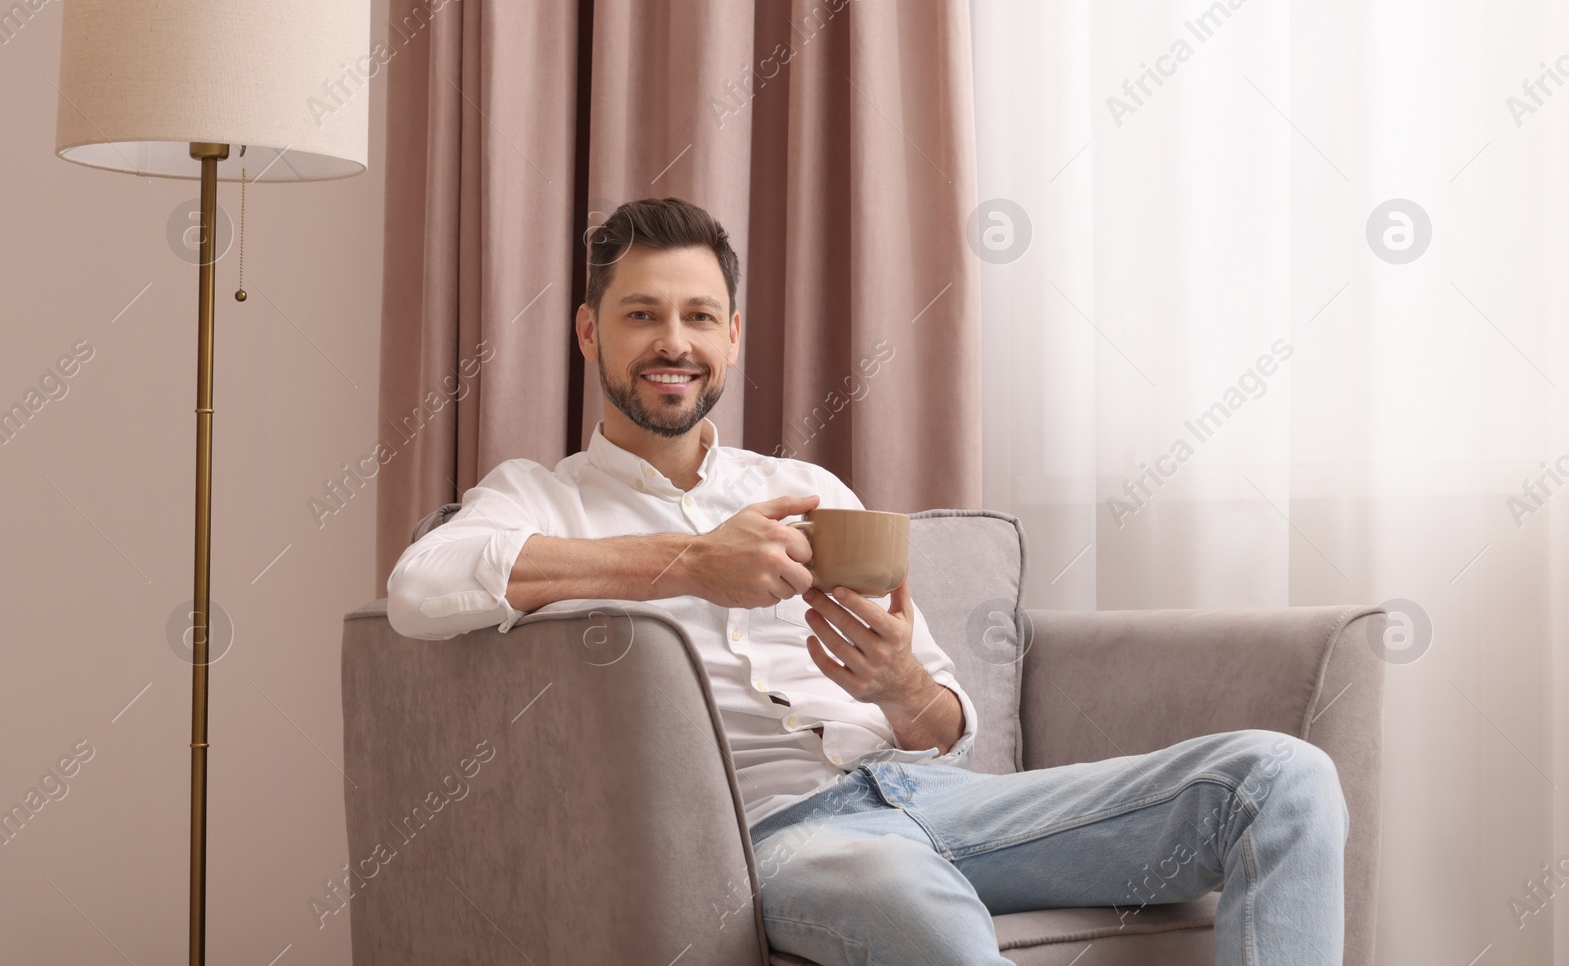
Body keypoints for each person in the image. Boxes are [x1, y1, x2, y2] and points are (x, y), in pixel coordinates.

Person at [386, 196, 1350, 965]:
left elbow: (946, 726)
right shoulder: (536, 498)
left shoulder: (804, 489)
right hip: (773, 841)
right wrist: (690, 563)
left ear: (730, 337)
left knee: (1279, 779)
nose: (671, 340)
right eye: (642, 315)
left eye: (698, 316)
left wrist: (903, 688)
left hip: (925, 797)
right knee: (908, 903)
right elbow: (420, 589)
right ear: (591, 333)